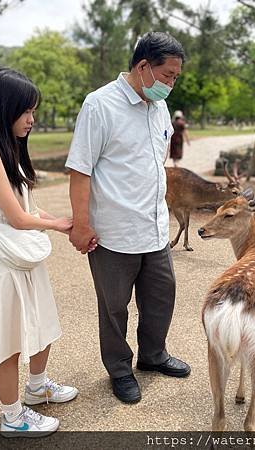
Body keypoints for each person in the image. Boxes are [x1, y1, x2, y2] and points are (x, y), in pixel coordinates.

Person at [67, 31, 191, 404]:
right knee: (114, 307)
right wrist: (82, 223)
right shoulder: (99, 105)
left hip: (154, 228)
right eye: (168, 75)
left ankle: (153, 356)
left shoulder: (160, 108)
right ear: (142, 67)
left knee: (160, 297)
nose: (171, 83)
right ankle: (120, 369)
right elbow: (80, 171)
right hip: (113, 232)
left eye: (175, 77)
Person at [0, 68, 77, 437]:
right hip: (2, 258)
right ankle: (12, 417)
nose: (32, 119)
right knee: (9, 338)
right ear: (2, 108)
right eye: (25, 110)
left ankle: (37, 386)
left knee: (42, 322)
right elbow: (16, 217)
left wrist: (63, 220)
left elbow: (27, 204)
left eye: (33, 110)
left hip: (21, 253)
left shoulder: (4, 150)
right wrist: (58, 226)